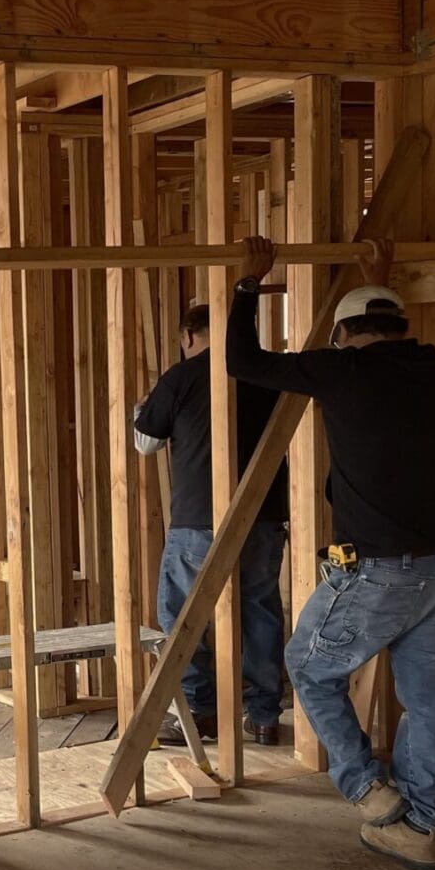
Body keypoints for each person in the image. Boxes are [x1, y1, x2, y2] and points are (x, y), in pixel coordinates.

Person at [227, 235, 435, 870]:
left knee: (308, 667)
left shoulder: (343, 368)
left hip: (384, 571)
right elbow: (385, 335)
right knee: (426, 701)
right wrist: (379, 278)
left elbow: (240, 359)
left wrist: (248, 284)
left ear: (343, 336)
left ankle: (366, 788)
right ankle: (421, 828)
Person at [133, 304, 289, 748]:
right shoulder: (266, 372)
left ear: (187, 335)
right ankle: (263, 718)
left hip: (198, 522)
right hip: (261, 517)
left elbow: (146, 442)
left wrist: (142, 408)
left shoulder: (181, 377)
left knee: (186, 617)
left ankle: (198, 715)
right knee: (259, 612)